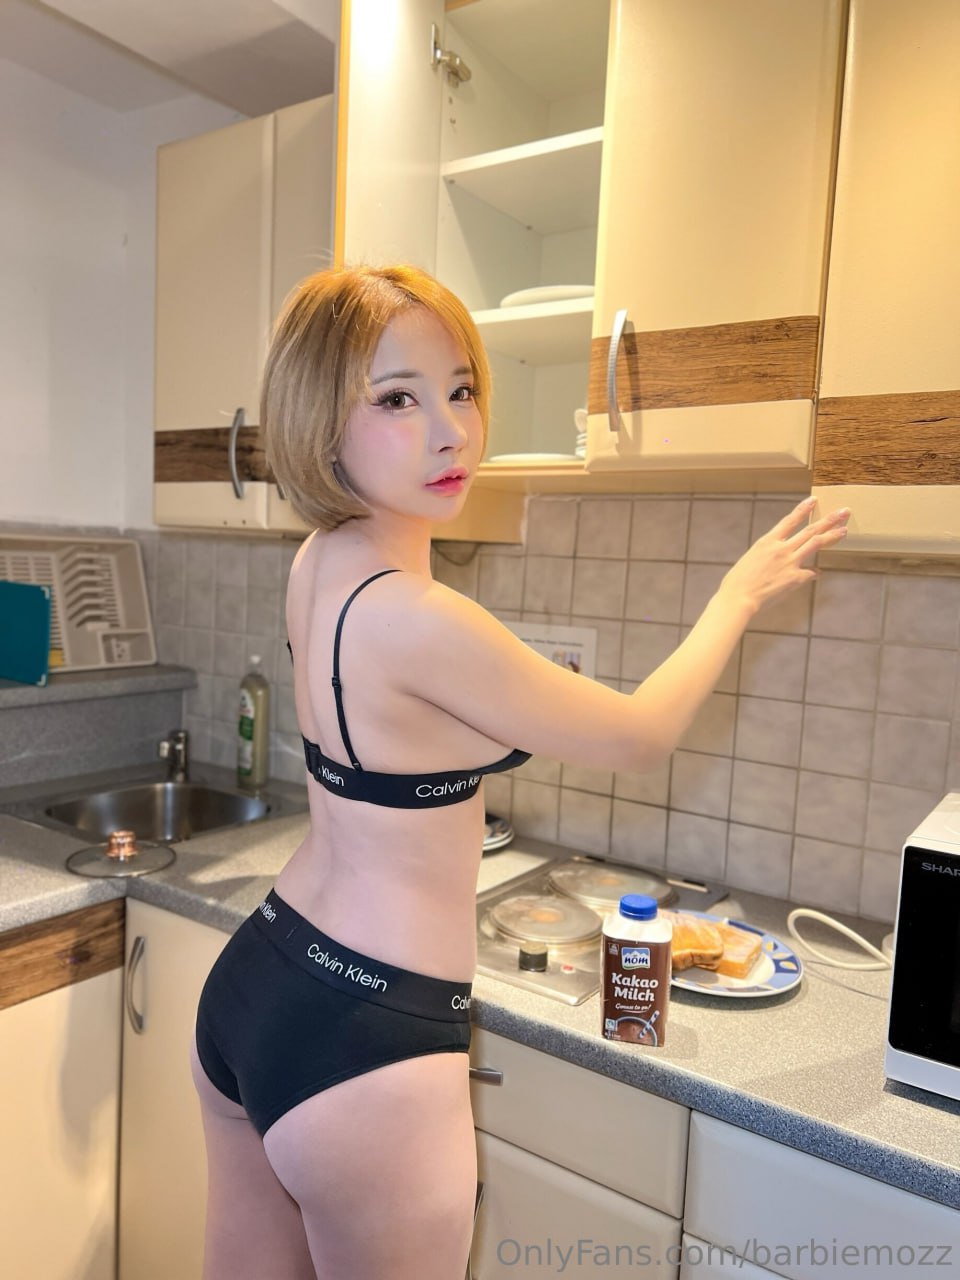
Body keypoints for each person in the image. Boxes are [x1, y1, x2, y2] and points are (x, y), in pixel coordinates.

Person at [190, 263, 850, 1280]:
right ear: (320, 422)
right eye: (397, 399)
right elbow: (639, 733)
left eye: (460, 389)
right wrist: (736, 596)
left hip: (264, 977)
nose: (451, 430)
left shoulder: (318, 562)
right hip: (366, 1035)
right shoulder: (423, 620)